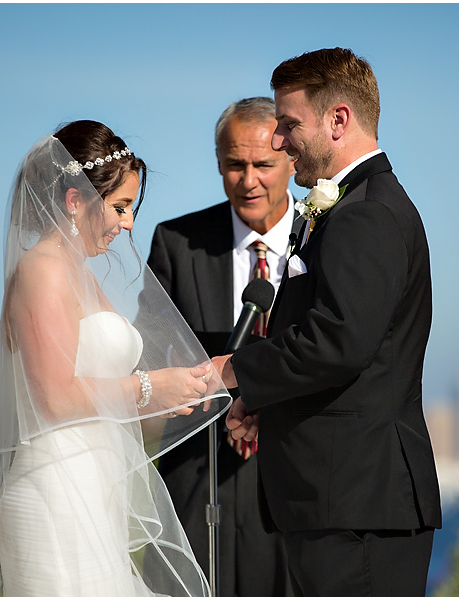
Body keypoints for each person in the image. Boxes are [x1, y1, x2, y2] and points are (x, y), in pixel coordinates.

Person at [0, 120, 231, 597]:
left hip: (93, 487)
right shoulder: (41, 271)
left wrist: (201, 377)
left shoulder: (78, 273)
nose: (127, 224)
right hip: (54, 492)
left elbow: (103, 390)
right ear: (75, 200)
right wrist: (150, 389)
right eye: (120, 207)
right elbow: (56, 398)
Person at [213, 48, 441, 596]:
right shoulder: (354, 205)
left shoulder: (365, 212)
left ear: (339, 120)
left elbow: (338, 341)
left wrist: (236, 372)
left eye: (289, 125)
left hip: (357, 503)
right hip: (342, 498)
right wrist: (269, 401)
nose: (278, 140)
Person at [147, 97, 295, 596]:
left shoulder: (325, 238)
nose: (247, 179)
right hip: (198, 478)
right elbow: (154, 354)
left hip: (293, 483)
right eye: (234, 164)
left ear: (293, 159)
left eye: (262, 164)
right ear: (218, 163)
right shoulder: (177, 242)